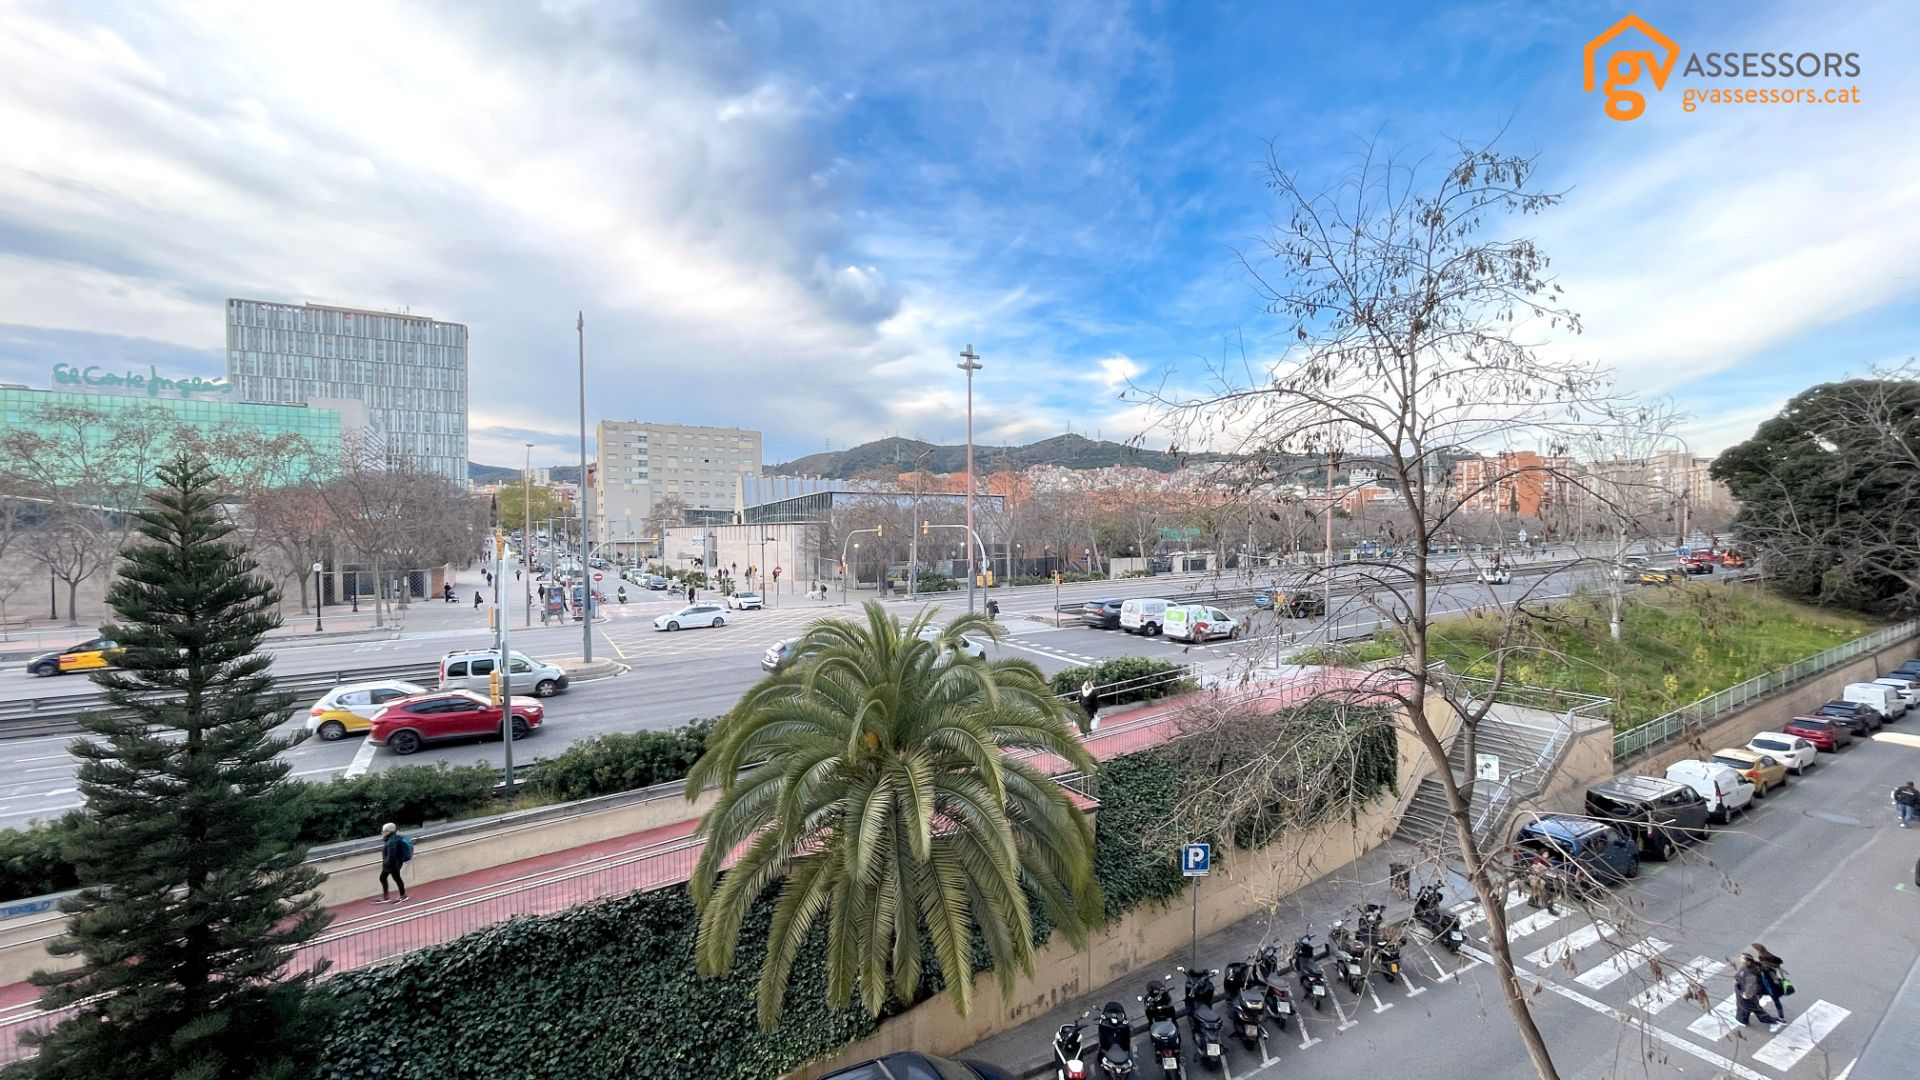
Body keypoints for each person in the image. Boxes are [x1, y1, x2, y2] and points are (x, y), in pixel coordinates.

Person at [1735, 954, 1784, 1032]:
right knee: (1743, 1007)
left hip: (1747, 994)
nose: (1740, 960)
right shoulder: (1747, 968)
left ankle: (1770, 1020)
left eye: (1742, 958)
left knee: (1755, 1008)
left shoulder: (1751, 974)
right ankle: (1742, 1020)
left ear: (1748, 961)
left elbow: (1751, 987)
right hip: (1741, 989)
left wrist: (1746, 995)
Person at [1750, 943, 1788, 1020]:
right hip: (1768, 981)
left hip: (1768, 983)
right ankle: (1781, 1017)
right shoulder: (1767, 956)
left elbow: (1766, 969)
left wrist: (1758, 967)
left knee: (1763, 996)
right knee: (1761, 996)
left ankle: (1781, 1017)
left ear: (1758, 950)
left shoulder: (1764, 958)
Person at [375, 822, 409, 905]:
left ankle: (399, 896)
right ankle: (398, 895)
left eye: (383, 831)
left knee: (389, 878)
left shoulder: (391, 842)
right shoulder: (393, 838)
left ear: (388, 831)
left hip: (392, 864)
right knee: (391, 878)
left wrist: (386, 864)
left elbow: (391, 855)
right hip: (394, 863)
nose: (381, 833)